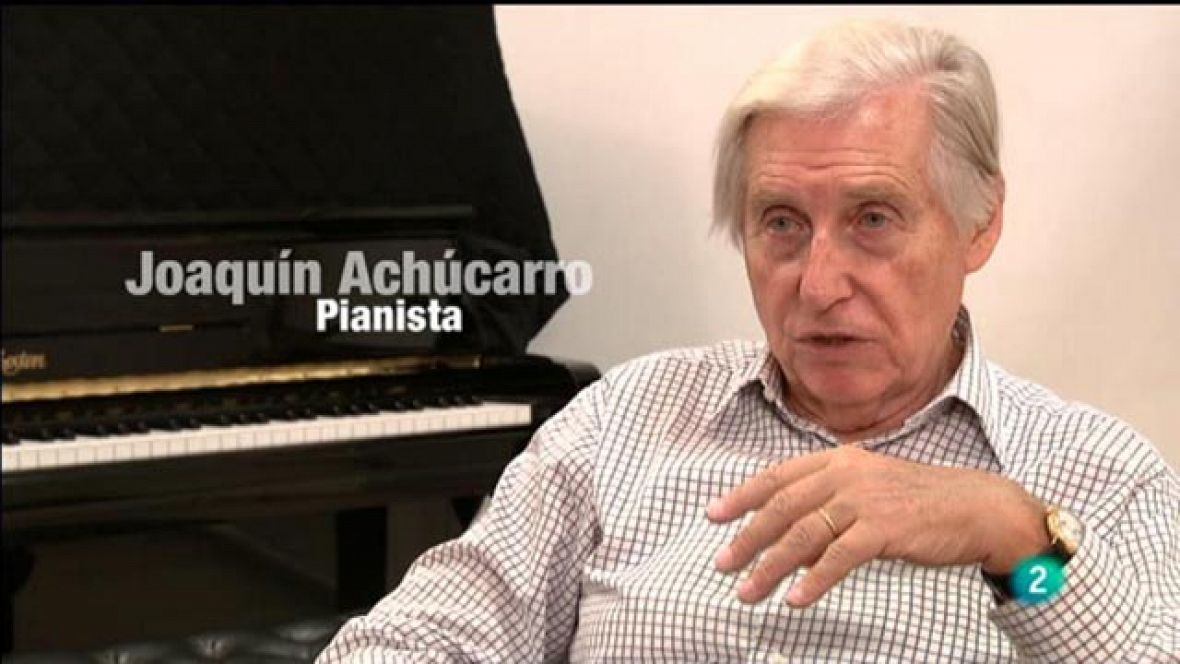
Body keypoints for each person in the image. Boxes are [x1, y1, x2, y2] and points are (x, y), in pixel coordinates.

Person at [318, 19, 1179, 662]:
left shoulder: (1098, 476)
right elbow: (423, 637)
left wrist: (1016, 540)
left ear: (979, 222)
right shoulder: (623, 422)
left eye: (873, 219)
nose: (818, 283)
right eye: (782, 223)